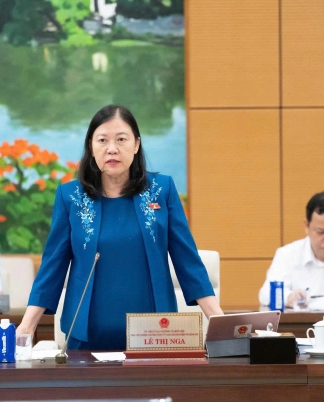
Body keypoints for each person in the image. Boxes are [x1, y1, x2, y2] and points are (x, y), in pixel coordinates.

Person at [17, 105, 223, 351]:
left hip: (156, 335)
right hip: (86, 335)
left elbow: (187, 261)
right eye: (102, 140)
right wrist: (27, 326)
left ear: (136, 145)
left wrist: (219, 321)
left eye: (121, 139)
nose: (112, 149)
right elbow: (53, 265)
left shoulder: (162, 189)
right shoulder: (70, 196)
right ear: (91, 147)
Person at [258, 191, 324, 311]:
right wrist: (289, 297)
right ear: (307, 226)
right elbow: (266, 293)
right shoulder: (287, 254)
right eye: (321, 232)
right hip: (303, 322)